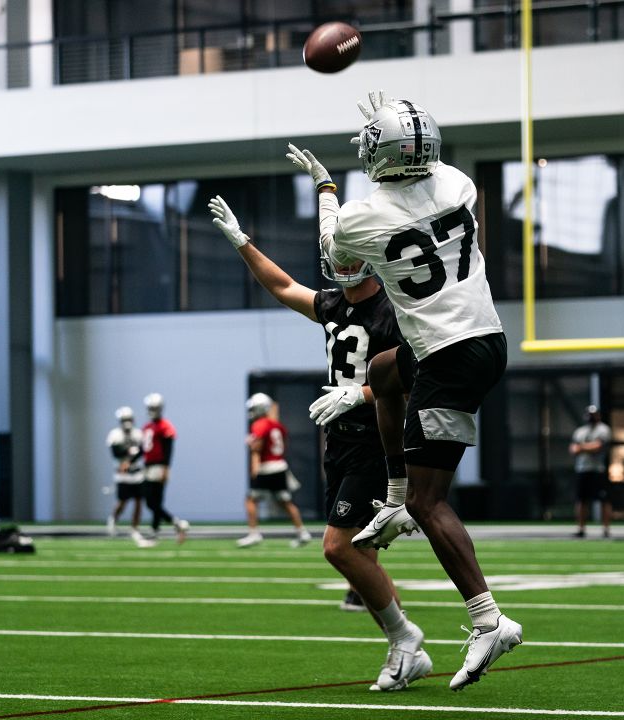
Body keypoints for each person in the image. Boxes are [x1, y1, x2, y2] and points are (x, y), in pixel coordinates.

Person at [286, 90, 520, 691]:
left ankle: (488, 619)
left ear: (376, 153)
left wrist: (326, 189)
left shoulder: (363, 218)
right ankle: (392, 494)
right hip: (480, 340)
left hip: (446, 356)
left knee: (430, 503)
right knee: (384, 373)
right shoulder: (458, 185)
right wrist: (402, 129)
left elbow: (332, 249)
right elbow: (424, 164)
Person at [209, 195, 430, 689]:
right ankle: (402, 648)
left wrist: (361, 394)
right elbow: (282, 285)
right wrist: (242, 242)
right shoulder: (332, 301)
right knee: (360, 556)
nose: (343, 262)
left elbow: (412, 383)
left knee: (338, 548)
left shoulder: (391, 311)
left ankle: (406, 637)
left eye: (352, 252)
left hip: (378, 438)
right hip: (341, 442)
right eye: (337, 252)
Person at [237, 393, 314, 550]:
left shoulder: (259, 424)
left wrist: (252, 452)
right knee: (285, 501)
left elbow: (257, 448)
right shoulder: (278, 426)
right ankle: (302, 532)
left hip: (267, 468)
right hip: (280, 466)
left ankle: (253, 534)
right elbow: (282, 447)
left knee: (250, 500)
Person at [140, 393, 189, 543]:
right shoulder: (147, 427)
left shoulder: (164, 426)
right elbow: (143, 449)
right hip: (148, 466)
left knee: (152, 502)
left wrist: (166, 469)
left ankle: (176, 523)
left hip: (159, 466)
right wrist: (131, 461)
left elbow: (168, 449)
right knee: (154, 502)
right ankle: (156, 530)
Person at [107, 406, 149, 545]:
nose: (127, 422)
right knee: (122, 501)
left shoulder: (138, 433)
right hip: (122, 474)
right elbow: (116, 452)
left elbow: (141, 451)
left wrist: (130, 459)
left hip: (136, 472)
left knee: (138, 501)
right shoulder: (115, 434)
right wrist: (128, 454)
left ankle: (135, 528)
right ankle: (113, 520)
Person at [570, 405, 613, 539]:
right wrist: (587, 447)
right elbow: (573, 449)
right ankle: (581, 528)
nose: (591, 417)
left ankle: (606, 529)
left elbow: (598, 447)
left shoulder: (603, 429)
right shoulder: (580, 432)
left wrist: (582, 447)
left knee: (603, 500)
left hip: (597, 470)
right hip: (583, 469)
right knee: (581, 500)